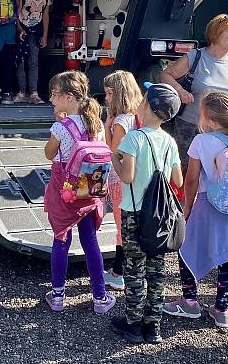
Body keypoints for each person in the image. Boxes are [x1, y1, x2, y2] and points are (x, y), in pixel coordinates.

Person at [162, 92, 228, 329]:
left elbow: (191, 180)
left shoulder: (202, 141)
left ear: (208, 118)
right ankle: (221, 309)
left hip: (206, 204)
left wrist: (187, 207)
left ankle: (189, 302)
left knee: (187, 249)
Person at [110, 83, 183, 344]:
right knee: (157, 269)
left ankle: (133, 323)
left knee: (134, 270)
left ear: (148, 106)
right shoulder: (169, 140)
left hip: (134, 213)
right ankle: (153, 327)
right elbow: (178, 179)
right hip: (160, 215)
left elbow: (127, 176)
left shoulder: (134, 138)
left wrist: (114, 158)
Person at [42, 70, 115, 315]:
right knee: (90, 241)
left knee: (61, 238)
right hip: (89, 189)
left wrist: (57, 120)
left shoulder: (60, 127)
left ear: (70, 97)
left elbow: (49, 154)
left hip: (65, 191)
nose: (52, 100)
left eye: (55, 95)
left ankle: (58, 295)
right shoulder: (96, 124)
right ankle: (100, 297)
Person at [160, 14, 228, 174]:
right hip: (191, 128)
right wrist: (180, 92)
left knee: (218, 175)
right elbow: (165, 75)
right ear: (216, 33)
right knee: (187, 174)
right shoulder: (196, 57)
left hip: (225, 132)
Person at [101, 70, 143, 292]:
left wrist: (107, 125)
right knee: (133, 226)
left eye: (109, 93)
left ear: (118, 94)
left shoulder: (120, 121)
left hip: (119, 179)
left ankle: (118, 273)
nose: (106, 98)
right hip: (137, 178)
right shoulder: (139, 117)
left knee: (121, 227)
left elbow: (112, 150)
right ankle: (135, 270)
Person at [15, 0, 53, 105]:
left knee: (34, 62)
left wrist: (45, 35)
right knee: (20, 61)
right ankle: (21, 92)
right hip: (22, 29)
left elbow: (46, 16)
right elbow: (17, 13)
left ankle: (33, 93)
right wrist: (19, 29)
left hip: (36, 31)